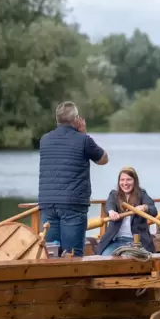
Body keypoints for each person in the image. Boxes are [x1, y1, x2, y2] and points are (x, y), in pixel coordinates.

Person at [38, 101, 108, 257]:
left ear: (57, 119)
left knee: (50, 253)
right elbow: (103, 159)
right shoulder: (83, 140)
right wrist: (83, 134)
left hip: (47, 203)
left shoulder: (44, 140)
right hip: (72, 204)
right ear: (76, 119)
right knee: (72, 255)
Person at [96, 167, 157, 256]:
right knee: (105, 256)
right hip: (115, 241)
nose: (125, 183)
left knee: (127, 257)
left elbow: (154, 211)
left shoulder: (142, 194)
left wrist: (145, 207)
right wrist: (111, 211)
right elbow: (109, 205)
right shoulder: (114, 194)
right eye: (122, 180)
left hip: (136, 242)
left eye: (129, 180)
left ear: (134, 181)